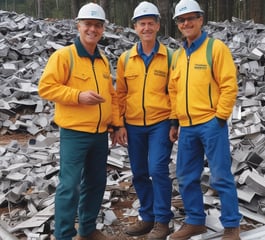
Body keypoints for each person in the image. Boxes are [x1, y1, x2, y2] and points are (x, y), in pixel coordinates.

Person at [38, 3, 122, 240]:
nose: (92, 29)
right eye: (88, 24)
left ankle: (87, 229)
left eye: (97, 25)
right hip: (74, 134)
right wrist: (77, 96)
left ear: (103, 29)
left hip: (99, 135)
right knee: (70, 186)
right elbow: (46, 87)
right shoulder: (64, 56)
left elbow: (112, 96)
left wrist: (116, 124)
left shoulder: (103, 60)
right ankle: (64, 235)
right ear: (79, 26)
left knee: (95, 184)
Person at [168, 0, 242, 240]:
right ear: (178, 25)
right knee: (187, 177)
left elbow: (229, 85)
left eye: (191, 18)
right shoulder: (178, 55)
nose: (186, 23)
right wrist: (174, 121)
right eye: (181, 20)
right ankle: (195, 221)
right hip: (187, 127)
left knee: (220, 176)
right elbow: (173, 91)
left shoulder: (215, 48)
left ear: (201, 19)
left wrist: (219, 118)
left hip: (211, 124)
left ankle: (231, 226)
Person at [114, 1, 174, 240]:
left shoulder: (170, 57)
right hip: (133, 124)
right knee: (139, 172)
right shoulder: (126, 59)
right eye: (142, 24)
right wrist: (119, 124)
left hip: (160, 123)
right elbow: (120, 94)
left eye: (151, 23)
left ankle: (162, 220)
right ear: (135, 27)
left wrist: (174, 122)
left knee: (158, 169)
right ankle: (147, 217)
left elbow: (176, 92)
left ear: (158, 26)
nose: (147, 27)